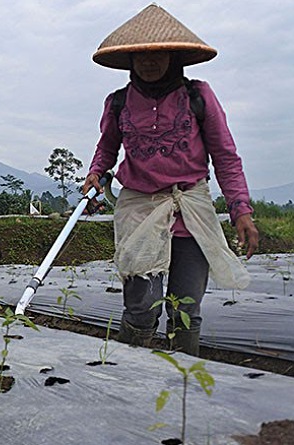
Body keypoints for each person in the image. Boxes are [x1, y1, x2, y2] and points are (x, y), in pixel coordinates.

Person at [82, 4, 259, 356]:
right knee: (141, 308)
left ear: (173, 56)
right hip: (140, 211)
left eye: (158, 54)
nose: (149, 62)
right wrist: (95, 173)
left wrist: (241, 210)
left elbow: (225, 156)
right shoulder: (119, 103)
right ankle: (131, 381)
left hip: (190, 211)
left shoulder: (198, 97)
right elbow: (106, 151)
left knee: (185, 309)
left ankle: (183, 388)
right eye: (141, 56)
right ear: (131, 60)